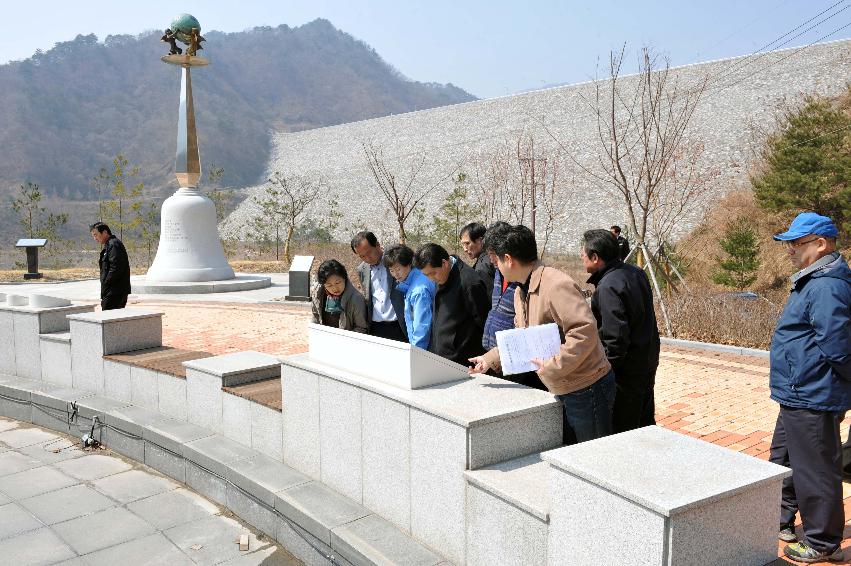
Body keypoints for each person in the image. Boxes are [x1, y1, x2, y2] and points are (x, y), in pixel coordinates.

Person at [469, 224, 615, 445]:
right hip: (563, 383)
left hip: (586, 388)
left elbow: (584, 332)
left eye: (496, 260)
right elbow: (524, 336)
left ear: (508, 259)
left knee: (592, 455)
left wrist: (553, 366)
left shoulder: (556, 284)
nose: (494, 265)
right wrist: (489, 359)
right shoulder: (521, 290)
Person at [767, 212, 851, 563]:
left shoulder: (828, 284)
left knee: (816, 468)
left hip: (812, 394)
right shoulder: (815, 278)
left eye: (797, 243)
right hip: (797, 390)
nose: (790, 250)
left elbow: (839, 346)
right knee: (784, 459)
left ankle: (822, 541)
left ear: (820, 244)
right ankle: (782, 519)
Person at [581, 229, 660, 433]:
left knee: (624, 430)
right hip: (646, 361)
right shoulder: (636, 272)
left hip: (625, 374)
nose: (581, 257)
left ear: (596, 257)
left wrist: (605, 372)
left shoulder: (608, 287)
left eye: (583, 253)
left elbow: (615, 339)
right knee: (644, 423)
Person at [481, 221, 546, 390]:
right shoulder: (499, 273)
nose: (492, 260)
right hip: (500, 354)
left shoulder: (530, 281)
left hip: (521, 359)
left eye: (494, 254)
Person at [415, 243, 491, 365]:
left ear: (444, 263)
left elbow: (484, 323)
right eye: (426, 275)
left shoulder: (469, 282)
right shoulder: (441, 276)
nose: (431, 278)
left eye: (433, 273)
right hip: (442, 359)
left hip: (464, 363)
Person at [351, 231, 407, 342]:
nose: (367, 258)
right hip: (376, 328)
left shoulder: (396, 259)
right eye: (362, 256)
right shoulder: (362, 270)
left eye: (369, 252)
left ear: (377, 245)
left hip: (399, 325)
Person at [383, 244, 436, 349]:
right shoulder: (415, 280)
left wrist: (416, 351)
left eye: (398, 269)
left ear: (408, 264)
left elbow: (422, 326)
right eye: (391, 270)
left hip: (426, 348)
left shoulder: (418, 291)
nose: (395, 274)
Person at [311, 259, 369, 333]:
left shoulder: (356, 298)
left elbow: (361, 327)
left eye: (338, 283)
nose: (334, 288)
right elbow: (315, 316)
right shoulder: (318, 294)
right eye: (329, 285)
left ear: (344, 278)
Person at [90, 222, 130, 311]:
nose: (95, 238)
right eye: (93, 236)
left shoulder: (113, 244)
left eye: (96, 235)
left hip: (114, 291)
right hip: (111, 291)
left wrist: (107, 283)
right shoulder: (109, 245)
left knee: (109, 319)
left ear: (104, 232)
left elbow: (116, 267)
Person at [460, 222, 496, 290]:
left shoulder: (484, 266)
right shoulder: (489, 259)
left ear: (480, 241)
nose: (465, 249)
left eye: (467, 243)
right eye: (463, 244)